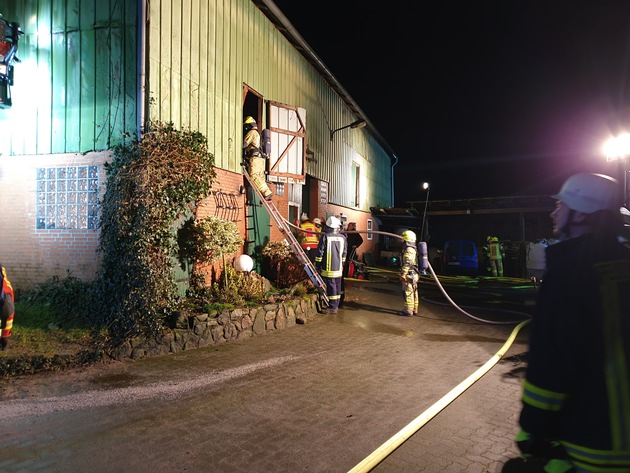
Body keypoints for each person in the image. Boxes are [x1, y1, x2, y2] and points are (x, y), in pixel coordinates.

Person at [515, 173, 630, 473]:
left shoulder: (569, 273)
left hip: (594, 444)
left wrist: (534, 430)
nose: (555, 212)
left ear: (581, 213)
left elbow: (552, 362)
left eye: (561, 205)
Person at [315, 216, 347, 314]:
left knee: (331, 286)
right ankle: (336, 304)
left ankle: (332, 307)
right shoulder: (343, 237)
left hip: (328, 266)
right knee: (337, 286)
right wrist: (342, 263)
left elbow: (320, 252)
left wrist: (318, 264)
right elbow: (344, 252)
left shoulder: (325, 237)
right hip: (338, 267)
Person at [242, 116, 273, 201]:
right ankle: (267, 192)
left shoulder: (252, 132)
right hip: (261, 160)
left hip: (255, 159)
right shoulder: (258, 134)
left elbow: (245, 144)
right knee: (260, 177)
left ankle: (266, 193)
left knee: (253, 176)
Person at [340, 222, 364, 307]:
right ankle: (345, 272)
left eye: (350, 226)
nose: (349, 227)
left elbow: (361, 240)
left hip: (351, 249)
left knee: (349, 262)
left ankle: (348, 272)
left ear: (353, 227)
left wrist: (356, 246)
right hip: (344, 249)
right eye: (348, 225)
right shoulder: (346, 232)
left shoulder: (355, 233)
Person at [400, 230, 419, 316]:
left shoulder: (409, 250)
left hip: (409, 274)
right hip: (413, 274)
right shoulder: (413, 249)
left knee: (408, 292)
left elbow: (408, 262)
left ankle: (408, 311)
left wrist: (404, 273)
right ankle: (414, 309)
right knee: (413, 292)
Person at [1, 264, 15, 350]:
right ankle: (4, 344)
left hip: (6, 302)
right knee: (6, 324)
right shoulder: (5, 280)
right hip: (9, 304)